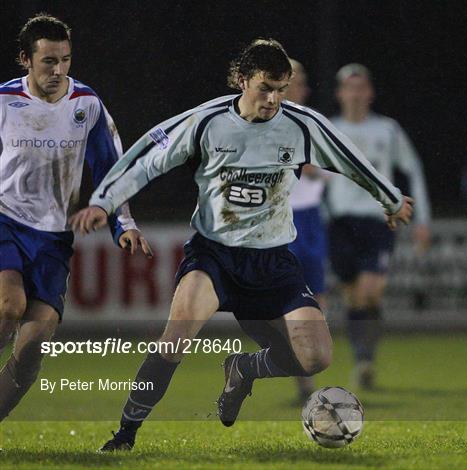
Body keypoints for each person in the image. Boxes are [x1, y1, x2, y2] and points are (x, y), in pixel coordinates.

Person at [70, 39, 413, 452]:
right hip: (214, 255)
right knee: (174, 339)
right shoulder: (206, 121)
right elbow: (146, 159)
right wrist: (103, 202)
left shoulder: (301, 124)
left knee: (315, 357)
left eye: (281, 89)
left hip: (273, 261)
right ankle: (125, 434)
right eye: (265, 87)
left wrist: (389, 199)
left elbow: (347, 157)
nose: (273, 99)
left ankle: (243, 369)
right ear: (242, 80)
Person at [0, 13, 151, 422]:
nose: (58, 70)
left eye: (65, 59)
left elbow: (110, 170)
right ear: (24, 60)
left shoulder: (87, 105)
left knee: (32, 347)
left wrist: (125, 225)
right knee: (8, 305)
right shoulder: (3, 102)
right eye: (48, 61)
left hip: (54, 238)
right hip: (6, 223)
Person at [326, 63, 431, 389]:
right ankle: (363, 356)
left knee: (371, 293)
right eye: (349, 88)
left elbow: (413, 169)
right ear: (339, 93)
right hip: (339, 223)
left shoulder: (388, 130)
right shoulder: (328, 129)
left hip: (377, 221)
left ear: (369, 93)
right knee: (354, 297)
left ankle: (365, 360)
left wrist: (422, 219)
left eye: (361, 88)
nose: (355, 94)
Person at [286, 59, 328, 403]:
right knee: (288, 301)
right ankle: (301, 374)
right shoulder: (265, 120)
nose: (293, 86)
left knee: (318, 300)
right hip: (280, 220)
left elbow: (327, 168)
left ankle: (306, 367)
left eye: (298, 80)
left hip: (311, 219)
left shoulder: (312, 122)